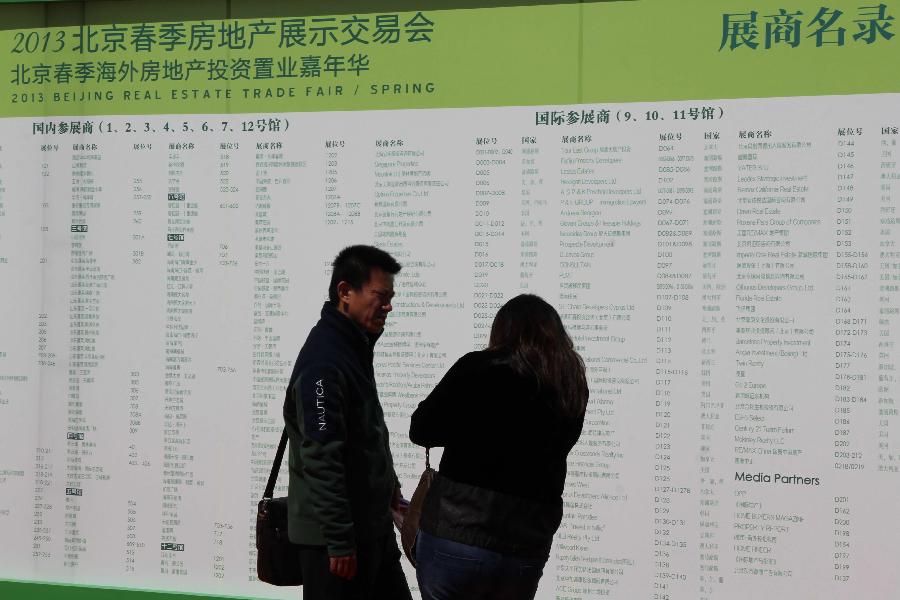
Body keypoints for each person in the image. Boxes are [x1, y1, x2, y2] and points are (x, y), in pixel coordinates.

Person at [409, 294, 588, 600]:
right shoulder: (569, 383)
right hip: (526, 546)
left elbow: (422, 429)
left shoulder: (478, 367)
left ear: (502, 330)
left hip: (458, 534)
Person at [283, 245, 413, 600]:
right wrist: (339, 541)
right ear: (345, 292)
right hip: (337, 544)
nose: (388, 306)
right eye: (380, 296)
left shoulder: (353, 347)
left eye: (391, 297)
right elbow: (322, 457)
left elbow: (366, 434)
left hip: (371, 530)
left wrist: (388, 486)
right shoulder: (325, 362)